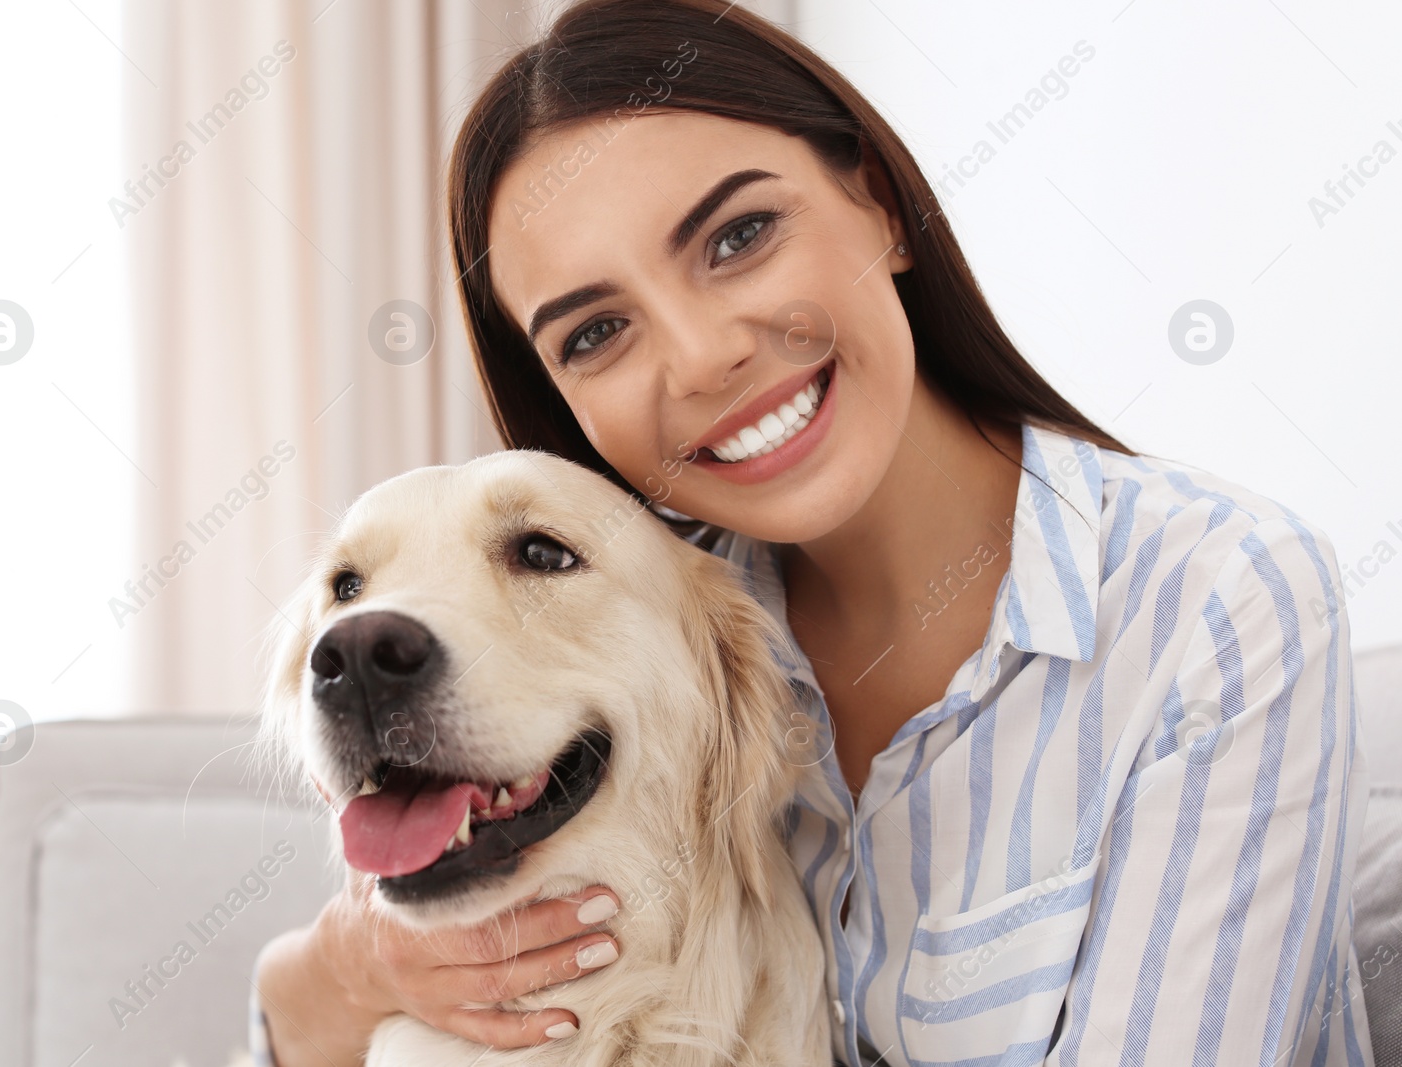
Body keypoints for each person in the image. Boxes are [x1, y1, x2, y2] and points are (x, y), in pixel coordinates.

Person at [249, 1, 1374, 1064]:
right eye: (596, 331)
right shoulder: (622, 667)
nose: (701, 356)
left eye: (738, 235)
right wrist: (345, 969)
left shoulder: (1212, 600)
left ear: (880, 204)